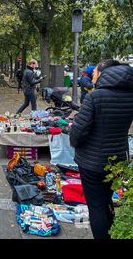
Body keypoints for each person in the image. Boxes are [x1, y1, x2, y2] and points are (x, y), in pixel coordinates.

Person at [70, 59, 133, 239]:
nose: (93, 76)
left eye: (95, 73)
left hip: (92, 162)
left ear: (104, 73)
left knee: (96, 206)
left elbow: (78, 133)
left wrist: (73, 139)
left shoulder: (95, 97)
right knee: (107, 201)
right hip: (118, 159)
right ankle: (111, 233)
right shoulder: (130, 96)